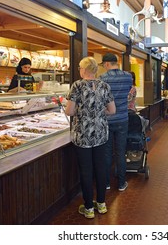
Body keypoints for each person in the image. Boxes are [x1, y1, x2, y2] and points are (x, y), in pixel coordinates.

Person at [65, 56, 116, 219]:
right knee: (101, 168)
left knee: (86, 170)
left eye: (80, 67)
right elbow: (112, 110)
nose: (79, 70)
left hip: (83, 134)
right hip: (101, 133)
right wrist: (99, 115)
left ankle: (88, 208)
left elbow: (70, 111)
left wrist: (82, 113)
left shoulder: (77, 86)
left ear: (85, 69)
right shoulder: (105, 86)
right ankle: (101, 204)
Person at [99, 53, 132, 191]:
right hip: (123, 118)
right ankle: (121, 183)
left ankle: (106, 183)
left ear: (106, 64)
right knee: (120, 151)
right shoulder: (128, 76)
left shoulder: (102, 79)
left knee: (106, 152)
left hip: (106, 119)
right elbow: (127, 94)